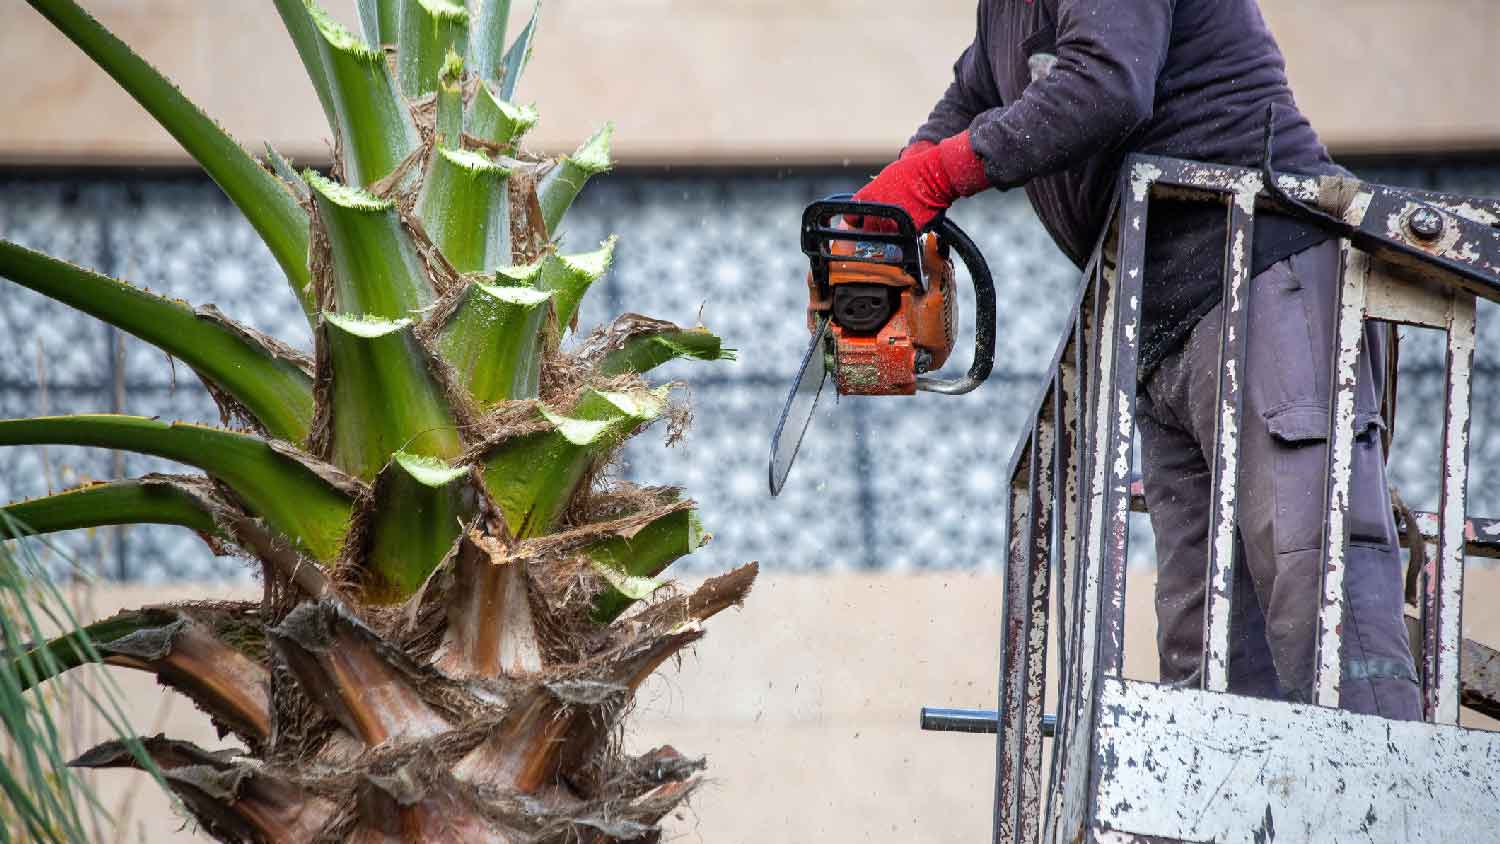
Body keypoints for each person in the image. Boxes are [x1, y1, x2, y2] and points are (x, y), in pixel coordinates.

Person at [854, 0, 1420, 718]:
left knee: (1315, 580)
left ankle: (1387, 797)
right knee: (1211, 654)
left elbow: (1106, 83)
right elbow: (970, 103)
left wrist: (935, 178)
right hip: (1161, 327)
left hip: (1264, 269)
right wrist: (881, 208)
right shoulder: (1002, 10)